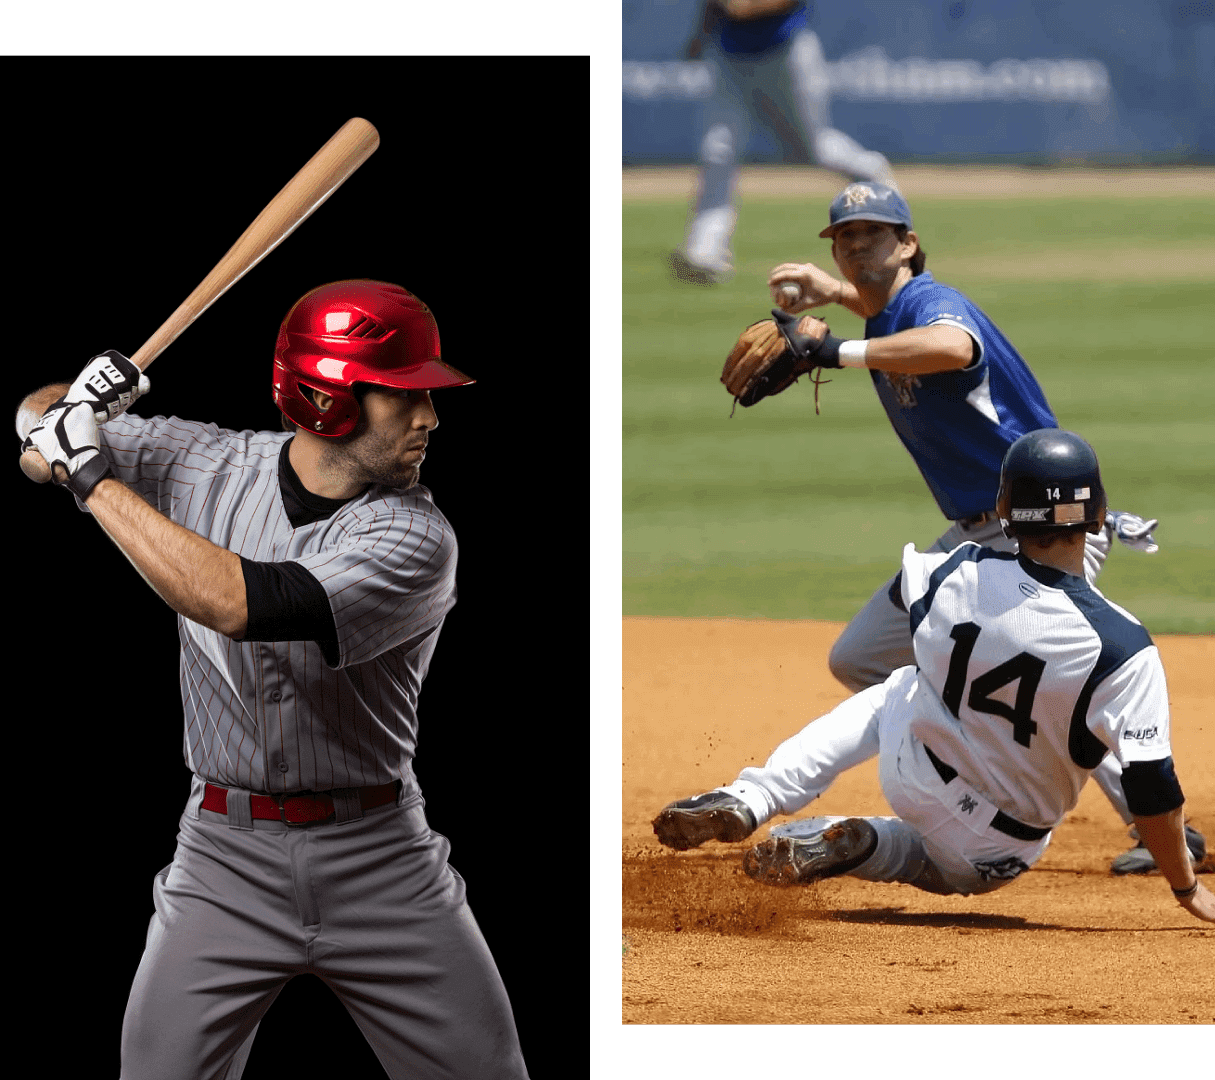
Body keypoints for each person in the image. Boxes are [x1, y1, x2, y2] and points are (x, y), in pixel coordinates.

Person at [16, 280, 529, 1079]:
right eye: (403, 396)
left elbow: (235, 601)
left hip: (381, 860)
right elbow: (33, 417)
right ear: (327, 399)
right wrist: (70, 404)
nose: (430, 417)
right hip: (222, 859)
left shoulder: (416, 536)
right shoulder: (209, 462)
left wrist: (89, 475)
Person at [758, 180, 1206, 875]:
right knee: (859, 658)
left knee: (1073, 680)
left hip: (1043, 527)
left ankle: (1166, 833)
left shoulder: (931, 304)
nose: (854, 244)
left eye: (871, 233)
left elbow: (948, 343)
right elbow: (886, 314)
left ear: (907, 243)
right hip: (976, 538)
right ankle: (982, 751)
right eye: (844, 237)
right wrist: (837, 294)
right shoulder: (887, 311)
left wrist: (832, 351)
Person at [653, 429, 1213, 924]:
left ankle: (755, 795)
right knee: (934, 863)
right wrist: (1186, 886)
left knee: (898, 689)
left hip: (913, 768)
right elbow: (1151, 789)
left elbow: (898, 601)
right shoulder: (1124, 647)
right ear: (1096, 516)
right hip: (998, 847)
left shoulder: (955, 571)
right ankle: (869, 843)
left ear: (1006, 510)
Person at [670, 0, 897, 285]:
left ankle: (873, 174)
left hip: (785, 53)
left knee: (815, 149)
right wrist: (700, 35)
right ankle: (705, 251)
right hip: (728, 55)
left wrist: (745, 6)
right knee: (718, 149)